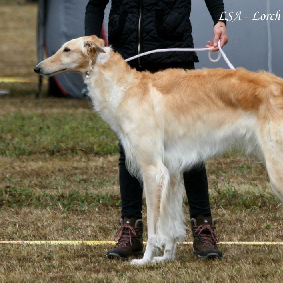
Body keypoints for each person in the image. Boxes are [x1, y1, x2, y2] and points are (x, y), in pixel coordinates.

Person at [85, 0, 228, 260]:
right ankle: (131, 228)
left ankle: (203, 227)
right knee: (129, 148)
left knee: (190, 147)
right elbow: (95, 4)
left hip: (174, 59)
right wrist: (92, 41)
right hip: (127, 58)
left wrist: (220, 20)